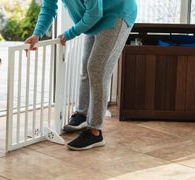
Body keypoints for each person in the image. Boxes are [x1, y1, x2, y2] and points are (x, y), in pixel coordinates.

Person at [25, 0, 137, 150]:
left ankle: (95, 132)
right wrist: (37, 34)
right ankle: (82, 115)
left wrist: (70, 33)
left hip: (116, 13)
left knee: (97, 69)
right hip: (94, 14)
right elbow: (49, 7)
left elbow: (95, 12)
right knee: (86, 68)